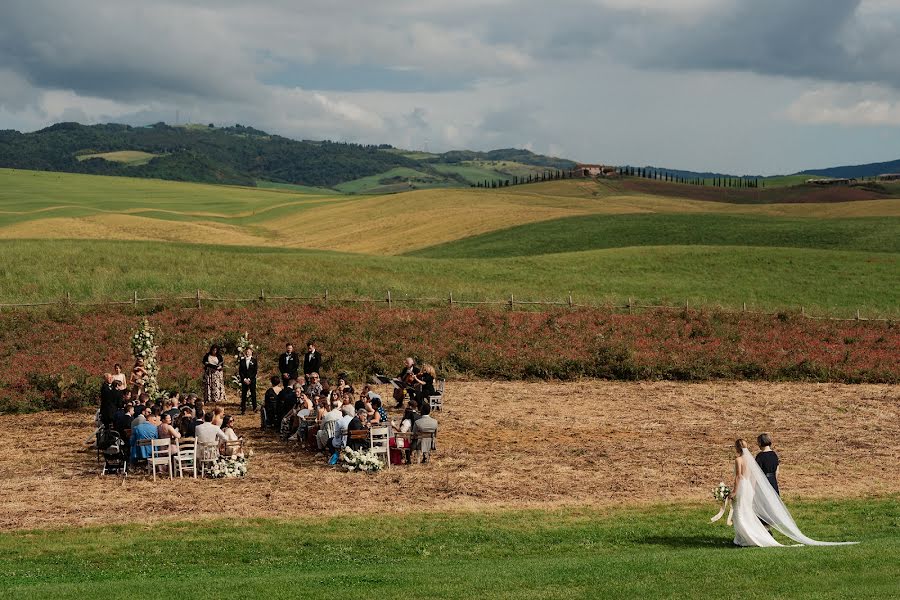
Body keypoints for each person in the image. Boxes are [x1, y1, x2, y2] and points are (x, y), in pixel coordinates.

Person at [730, 439, 855, 547]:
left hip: (742, 487)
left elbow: (738, 477)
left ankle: (744, 538)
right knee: (747, 512)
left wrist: (734, 491)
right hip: (749, 488)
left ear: (737, 447)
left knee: (740, 511)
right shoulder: (750, 459)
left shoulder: (739, 459)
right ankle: (748, 536)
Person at [238, 347, 258, 414]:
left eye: (249, 352)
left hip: (252, 380)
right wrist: (244, 379)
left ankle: (255, 408)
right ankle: (243, 409)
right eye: (246, 352)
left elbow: (255, 371)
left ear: (251, 352)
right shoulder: (242, 360)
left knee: (253, 394)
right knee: (244, 395)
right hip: (244, 380)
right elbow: (240, 371)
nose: (247, 353)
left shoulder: (254, 360)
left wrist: (249, 379)